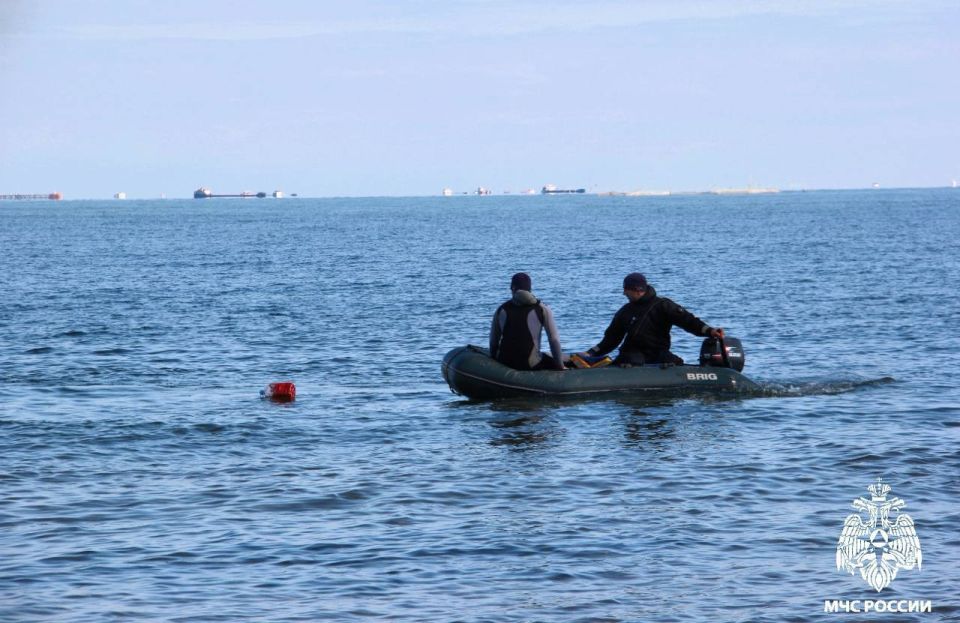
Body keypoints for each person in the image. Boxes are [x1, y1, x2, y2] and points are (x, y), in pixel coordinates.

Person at [578, 272, 724, 367]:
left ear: (637, 289)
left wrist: (709, 331)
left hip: (659, 354)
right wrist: (590, 353)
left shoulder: (663, 306)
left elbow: (688, 321)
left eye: (626, 289)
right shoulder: (625, 312)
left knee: (675, 362)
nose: (623, 293)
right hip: (631, 355)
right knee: (632, 360)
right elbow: (611, 339)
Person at [490, 272, 566, 371]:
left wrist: (492, 361)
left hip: (504, 363)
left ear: (512, 288)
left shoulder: (501, 310)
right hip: (531, 365)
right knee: (550, 360)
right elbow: (554, 340)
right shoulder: (542, 309)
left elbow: (493, 342)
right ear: (530, 289)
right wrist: (560, 367)